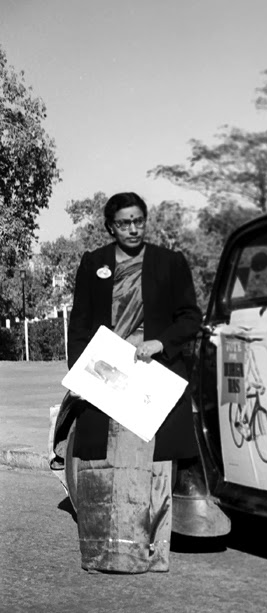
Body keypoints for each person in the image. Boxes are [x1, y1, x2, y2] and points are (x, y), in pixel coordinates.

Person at [66, 192, 202, 573]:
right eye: (124, 222)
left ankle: (150, 555)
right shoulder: (94, 264)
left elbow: (190, 317)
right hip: (106, 376)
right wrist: (79, 373)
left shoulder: (169, 263)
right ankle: (101, 554)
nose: (132, 228)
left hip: (152, 379)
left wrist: (159, 343)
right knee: (102, 467)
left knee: (152, 468)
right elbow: (79, 325)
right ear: (110, 226)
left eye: (138, 220)